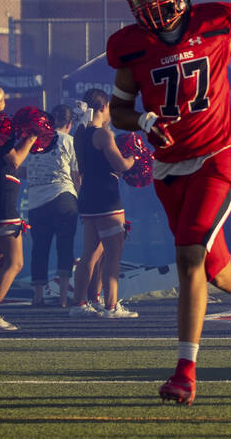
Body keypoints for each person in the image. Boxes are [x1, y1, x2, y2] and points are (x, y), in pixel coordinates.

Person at [107, 0, 231, 406]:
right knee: (214, 269)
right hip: (169, 169)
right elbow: (118, 109)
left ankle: (186, 371)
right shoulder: (131, 47)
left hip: (218, 158)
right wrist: (143, 120)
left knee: (188, 255)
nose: (149, 4)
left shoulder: (214, 24)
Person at [0, 84, 38, 332]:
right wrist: (31, 137)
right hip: (2, 199)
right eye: (2, 100)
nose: (5, 104)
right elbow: (14, 160)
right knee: (15, 262)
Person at [70, 89, 137, 319]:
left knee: (89, 254)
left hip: (87, 196)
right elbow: (121, 165)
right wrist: (134, 156)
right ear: (102, 108)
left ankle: (79, 303)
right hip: (106, 197)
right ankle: (111, 306)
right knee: (113, 254)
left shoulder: (80, 133)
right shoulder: (103, 135)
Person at [26, 103, 80, 307]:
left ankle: (38, 296)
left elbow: (21, 170)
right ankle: (64, 298)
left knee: (39, 248)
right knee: (65, 247)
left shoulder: (33, 141)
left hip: (36, 201)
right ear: (69, 123)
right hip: (64, 197)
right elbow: (76, 176)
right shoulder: (69, 141)